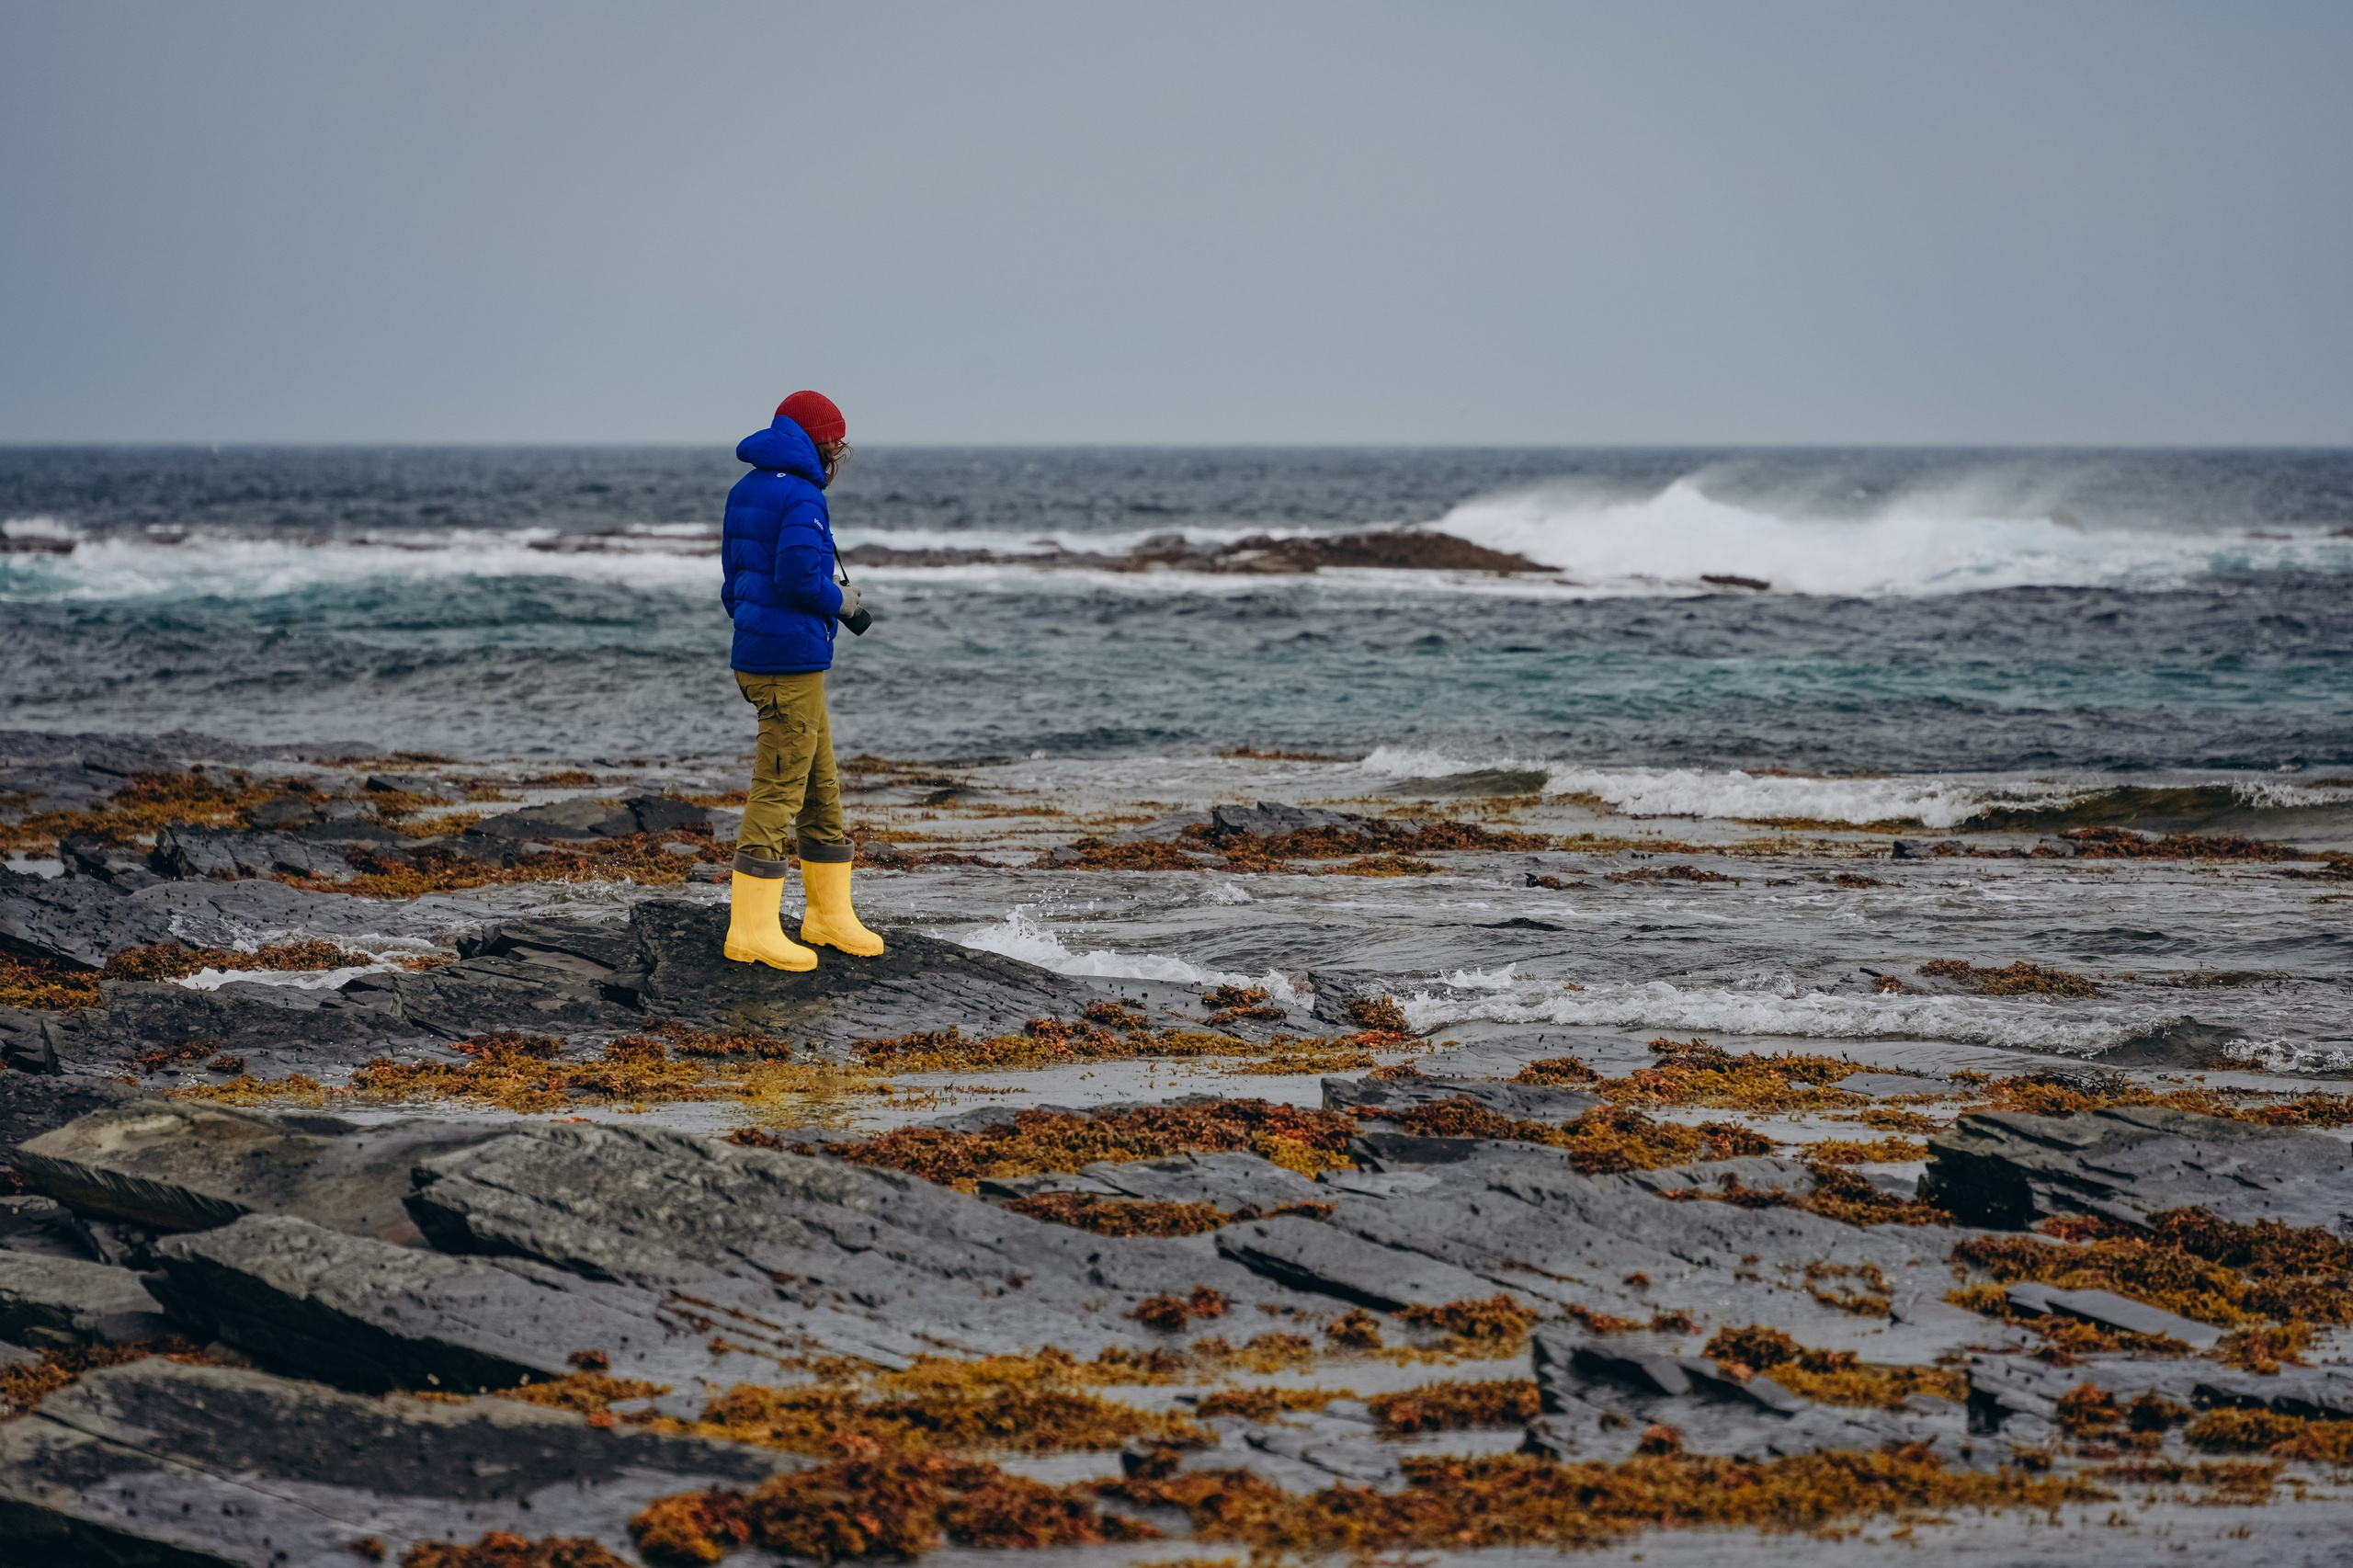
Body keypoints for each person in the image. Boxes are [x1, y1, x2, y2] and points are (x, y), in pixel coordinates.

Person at [718, 390, 884, 970]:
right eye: (835, 441)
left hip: (767, 658)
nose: (839, 451)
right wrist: (839, 601)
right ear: (817, 439)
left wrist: (761, 628)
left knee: (820, 785)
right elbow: (795, 577)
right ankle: (752, 930)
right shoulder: (803, 496)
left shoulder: (746, 490)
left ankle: (828, 917)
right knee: (779, 791)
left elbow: (732, 585)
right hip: (788, 665)